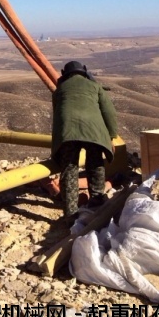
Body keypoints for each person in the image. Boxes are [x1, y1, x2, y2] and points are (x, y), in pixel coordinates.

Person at [51, 60, 119, 223]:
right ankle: (97, 200)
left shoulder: (59, 90)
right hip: (93, 131)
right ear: (84, 72)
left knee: (69, 169)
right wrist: (112, 136)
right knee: (95, 164)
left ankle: (70, 213)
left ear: (64, 74)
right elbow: (109, 112)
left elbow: (58, 115)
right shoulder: (95, 87)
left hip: (68, 133)